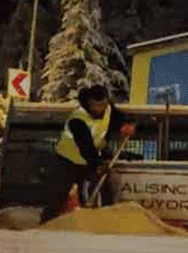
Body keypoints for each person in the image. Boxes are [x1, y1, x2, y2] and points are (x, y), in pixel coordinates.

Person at [40, 84, 136, 222]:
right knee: (57, 196)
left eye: (104, 104)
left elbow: (118, 118)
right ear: (90, 103)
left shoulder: (107, 110)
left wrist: (126, 125)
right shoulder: (78, 119)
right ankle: (46, 224)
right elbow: (86, 146)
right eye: (98, 105)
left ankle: (105, 222)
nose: (101, 109)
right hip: (67, 161)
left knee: (101, 190)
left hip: (89, 161)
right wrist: (97, 164)